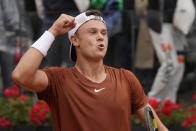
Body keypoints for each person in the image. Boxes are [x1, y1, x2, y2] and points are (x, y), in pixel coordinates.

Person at [12, 10, 168, 131]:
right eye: (93, 32)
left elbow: (154, 125)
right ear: (75, 40)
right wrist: (52, 31)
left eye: (104, 33)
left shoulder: (126, 78)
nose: (100, 37)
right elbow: (21, 75)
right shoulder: (58, 79)